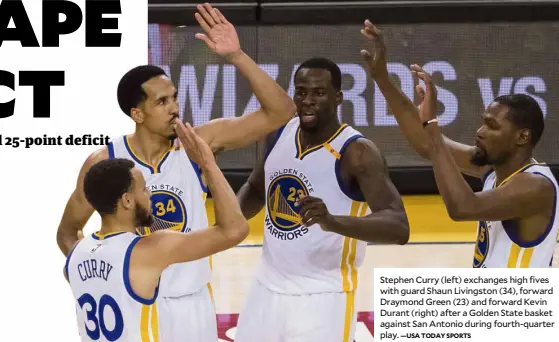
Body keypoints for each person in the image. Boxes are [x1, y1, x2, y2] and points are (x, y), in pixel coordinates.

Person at [57, 3, 296, 341]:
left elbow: (281, 112)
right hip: (135, 302)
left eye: (173, 98)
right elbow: (68, 233)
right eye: (162, 102)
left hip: (190, 304)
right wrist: (106, 276)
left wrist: (237, 55)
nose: (174, 108)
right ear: (137, 114)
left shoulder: (199, 143)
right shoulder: (104, 162)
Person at [233, 56, 410, 342]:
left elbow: (399, 226)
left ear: (338, 98)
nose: (308, 100)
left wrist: (332, 222)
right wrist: (226, 224)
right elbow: (256, 188)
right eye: (301, 92)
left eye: (319, 93)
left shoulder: (357, 152)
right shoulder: (279, 133)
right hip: (265, 289)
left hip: (324, 296)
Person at [361, 20, 558, 268]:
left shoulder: (535, 186)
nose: (480, 131)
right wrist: (383, 80)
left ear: (522, 137)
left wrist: (432, 125)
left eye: (492, 126)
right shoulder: (494, 172)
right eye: (483, 123)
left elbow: (462, 207)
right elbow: (427, 145)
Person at [64, 121, 249, 341]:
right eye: (144, 188)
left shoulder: (76, 255)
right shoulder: (148, 250)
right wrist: (208, 164)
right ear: (127, 200)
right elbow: (235, 230)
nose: (150, 193)